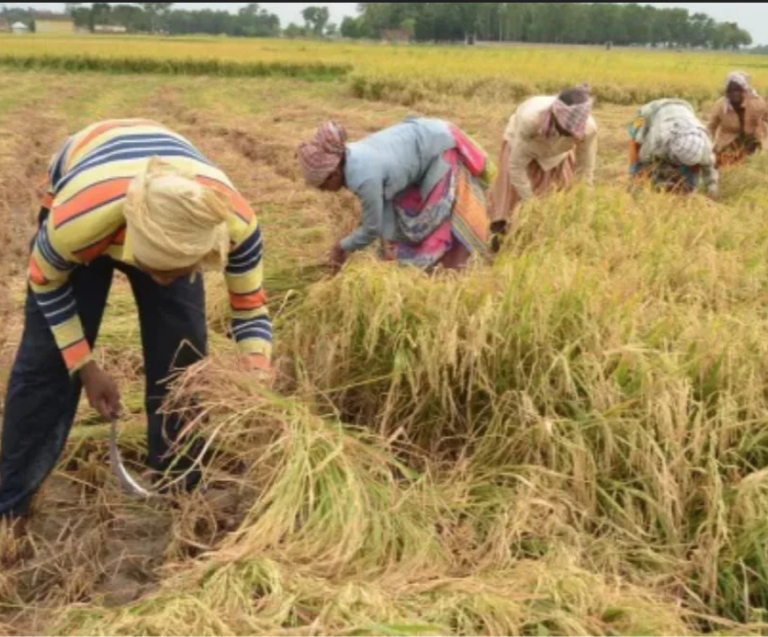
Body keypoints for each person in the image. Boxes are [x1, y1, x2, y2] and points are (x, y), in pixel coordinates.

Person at [0, 119, 272, 534]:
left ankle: (179, 487)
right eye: (158, 270)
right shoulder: (74, 226)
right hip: (92, 188)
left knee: (183, 365)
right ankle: (10, 503)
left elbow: (250, 309)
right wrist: (85, 367)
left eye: (180, 271)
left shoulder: (233, 225)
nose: (166, 282)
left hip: (175, 194)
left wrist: (256, 379)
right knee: (46, 368)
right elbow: (46, 284)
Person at [297, 117, 495, 271]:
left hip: (439, 147)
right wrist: (387, 243)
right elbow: (384, 202)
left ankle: (455, 269)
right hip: (423, 140)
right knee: (406, 217)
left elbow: (371, 228)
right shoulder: (351, 155)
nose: (324, 191)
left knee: (437, 219)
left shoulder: (364, 177)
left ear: (333, 174)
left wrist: (341, 247)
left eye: (323, 186)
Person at [488, 86, 598, 250]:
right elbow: (516, 166)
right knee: (513, 198)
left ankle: (546, 242)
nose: (569, 134)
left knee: (558, 198)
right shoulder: (530, 122)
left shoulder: (589, 129)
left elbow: (585, 167)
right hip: (521, 148)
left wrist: (583, 198)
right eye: (565, 130)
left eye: (573, 133)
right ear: (555, 118)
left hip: (558, 155)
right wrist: (530, 201)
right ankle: (503, 241)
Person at [628, 99, 718, 198]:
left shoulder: (704, 146)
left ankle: (687, 190)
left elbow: (709, 169)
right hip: (647, 113)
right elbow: (645, 159)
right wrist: (646, 178)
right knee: (634, 138)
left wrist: (712, 188)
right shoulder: (658, 139)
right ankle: (633, 183)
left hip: (684, 108)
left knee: (689, 177)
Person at [708, 71, 768, 168]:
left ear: (744, 91)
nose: (734, 94)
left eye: (737, 90)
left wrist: (762, 133)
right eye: (731, 91)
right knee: (720, 165)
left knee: (750, 165)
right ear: (726, 92)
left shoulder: (756, 103)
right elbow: (711, 127)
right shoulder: (720, 106)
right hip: (728, 142)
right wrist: (709, 147)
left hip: (752, 142)